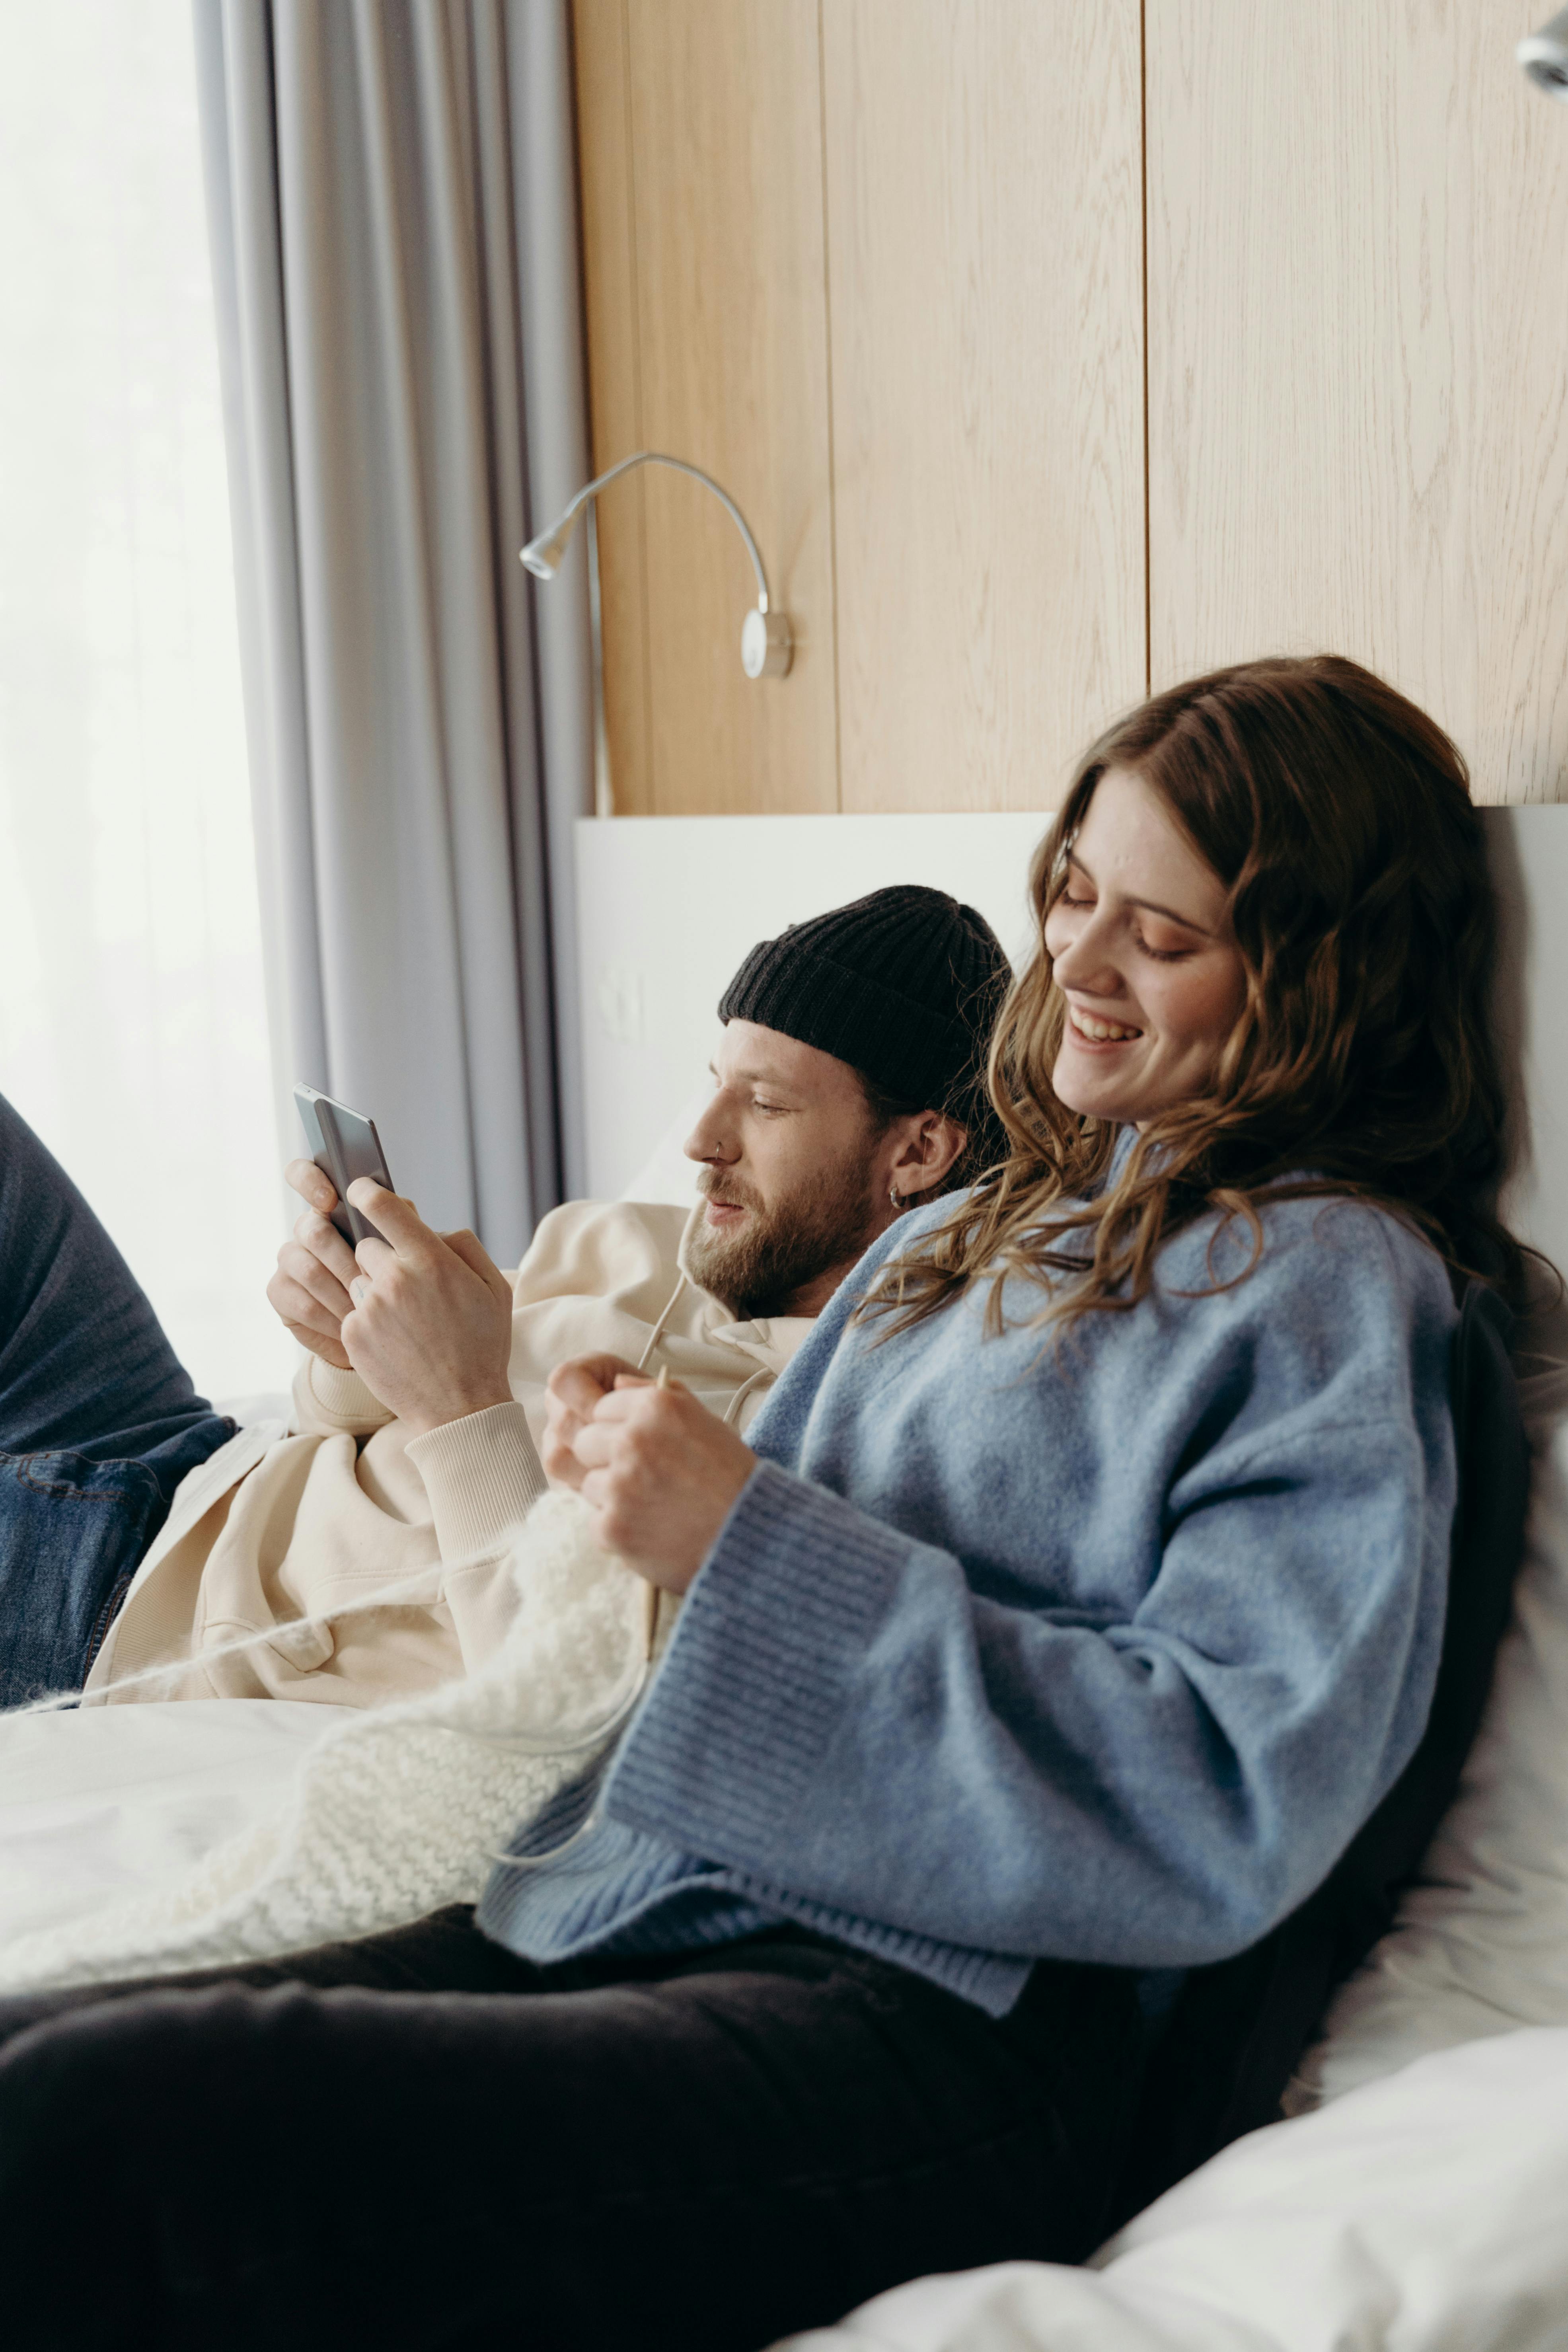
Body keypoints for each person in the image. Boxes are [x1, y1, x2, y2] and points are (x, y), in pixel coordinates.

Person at [0, 657, 1523, 2352]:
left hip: (946, 2017)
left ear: (1318, 976)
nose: (1077, 967)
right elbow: (717, 1612)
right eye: (1073, 894)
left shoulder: (1324, 1289)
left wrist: (741, 1530)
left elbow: (1225, 1792)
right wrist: (615, 1486)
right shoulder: (985, 1241)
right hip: (666, 1898)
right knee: (35, 2048)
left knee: (81, 2135)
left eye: (1158, 938)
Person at [0, 885, 1010, 1712]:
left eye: (767, 1102)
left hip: (117, 1605)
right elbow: (333, 1425)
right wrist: (347, 1347)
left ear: (918, 1149)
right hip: (190, 1464)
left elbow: (566, 1703)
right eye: (716, 1081)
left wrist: (461, 1405)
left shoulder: (829, 1433)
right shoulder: (628, 1239)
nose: (700, 1139)